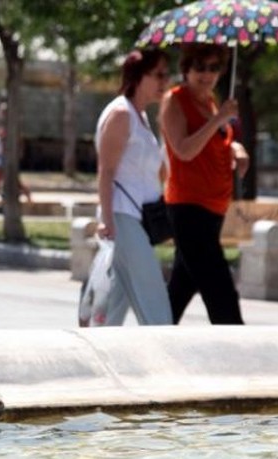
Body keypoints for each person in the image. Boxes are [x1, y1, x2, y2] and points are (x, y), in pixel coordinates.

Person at [159, 43, 250, 325]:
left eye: (214, 68)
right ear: (186, 69)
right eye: (200, 67)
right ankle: (240, 353)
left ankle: (152, 337)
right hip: (188, 207)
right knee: (220, 290)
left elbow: (213, 143)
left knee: (179, 290)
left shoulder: (212, 102)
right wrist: (220, 120)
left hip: (214, 207)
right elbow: (184, 149)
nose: (207, 74)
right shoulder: (175, 100)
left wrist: (235, 148)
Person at [93, 48, 173, 326]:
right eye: (159, 74)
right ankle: (167, 354)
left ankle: (98, 348)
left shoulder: (140, 115)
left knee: (117, 299)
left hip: (134, 217)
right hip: (122, 217)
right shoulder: (121, 114)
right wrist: (107, 219)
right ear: (138, 77)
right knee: (153, 295)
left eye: (167, 74)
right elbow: (106, 171)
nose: (165, 80)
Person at [0, 102, 31, 211]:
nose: (1, 113)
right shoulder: (1, 124)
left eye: (4, 111)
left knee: (6, 180)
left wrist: (19, 152)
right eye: (1, 111)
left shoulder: (12, 124)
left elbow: (18, 139)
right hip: (0, 155)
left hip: (7, 155)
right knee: (2, 180)